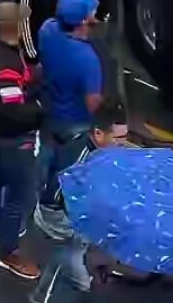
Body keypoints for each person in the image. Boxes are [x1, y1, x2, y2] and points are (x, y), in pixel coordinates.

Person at [30, 99, 127, 303]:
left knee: (77, 255)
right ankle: (43, 297)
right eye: (118, 137)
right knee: (70, 262)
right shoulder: (79, 160)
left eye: (125, 137)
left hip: (72, 211)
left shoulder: (95, 147)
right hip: (58, 216)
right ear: (99, 134)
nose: (123, 142)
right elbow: (56, 196)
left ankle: (77, 277)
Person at [0, 1, 43, 282]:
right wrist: (42, 112)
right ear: (10, 27)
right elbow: (12, 109)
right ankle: (10, 251)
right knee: (19, 194)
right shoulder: (4, 65)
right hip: (14, 137)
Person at [37, 0, 105, 215]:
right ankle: (52, 200)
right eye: (91, 13)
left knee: (47, 150)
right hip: (74, 121)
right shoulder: (87, 60)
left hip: (48, 108)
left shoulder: (47, 29)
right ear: (83, 22)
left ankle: (37, 182)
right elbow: (92, 101)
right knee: (68, 164)